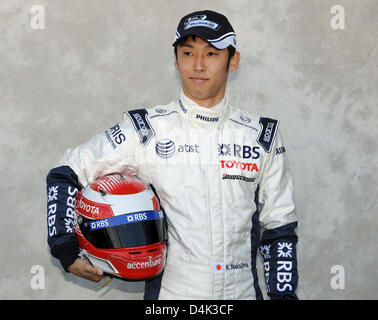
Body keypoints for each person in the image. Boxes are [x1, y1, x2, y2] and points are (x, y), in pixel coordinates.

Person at [46, 9, 299, 300]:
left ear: (233, 60)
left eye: (212, 53)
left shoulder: (261, 136)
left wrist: (284, 297)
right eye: (188, 53)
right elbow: (65, 171)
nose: (199, 65)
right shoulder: (145, 130)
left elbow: (279, 227)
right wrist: (65, 248)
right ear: (176, 61)